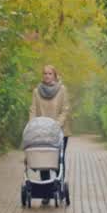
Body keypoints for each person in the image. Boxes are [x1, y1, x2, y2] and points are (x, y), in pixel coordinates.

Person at [28, 65, 70, 196]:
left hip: (59, 130)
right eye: (45, 73)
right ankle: (46, 191)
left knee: (58, 160)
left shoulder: (62, 90)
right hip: (42, 131)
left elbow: (65, 109)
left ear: (55, 76)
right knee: (43, 160)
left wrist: (56, 125)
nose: (47, 76)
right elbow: (33, 109)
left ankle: (58, 187)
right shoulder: (36, 91)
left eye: (50, 73)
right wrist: (32, 124)